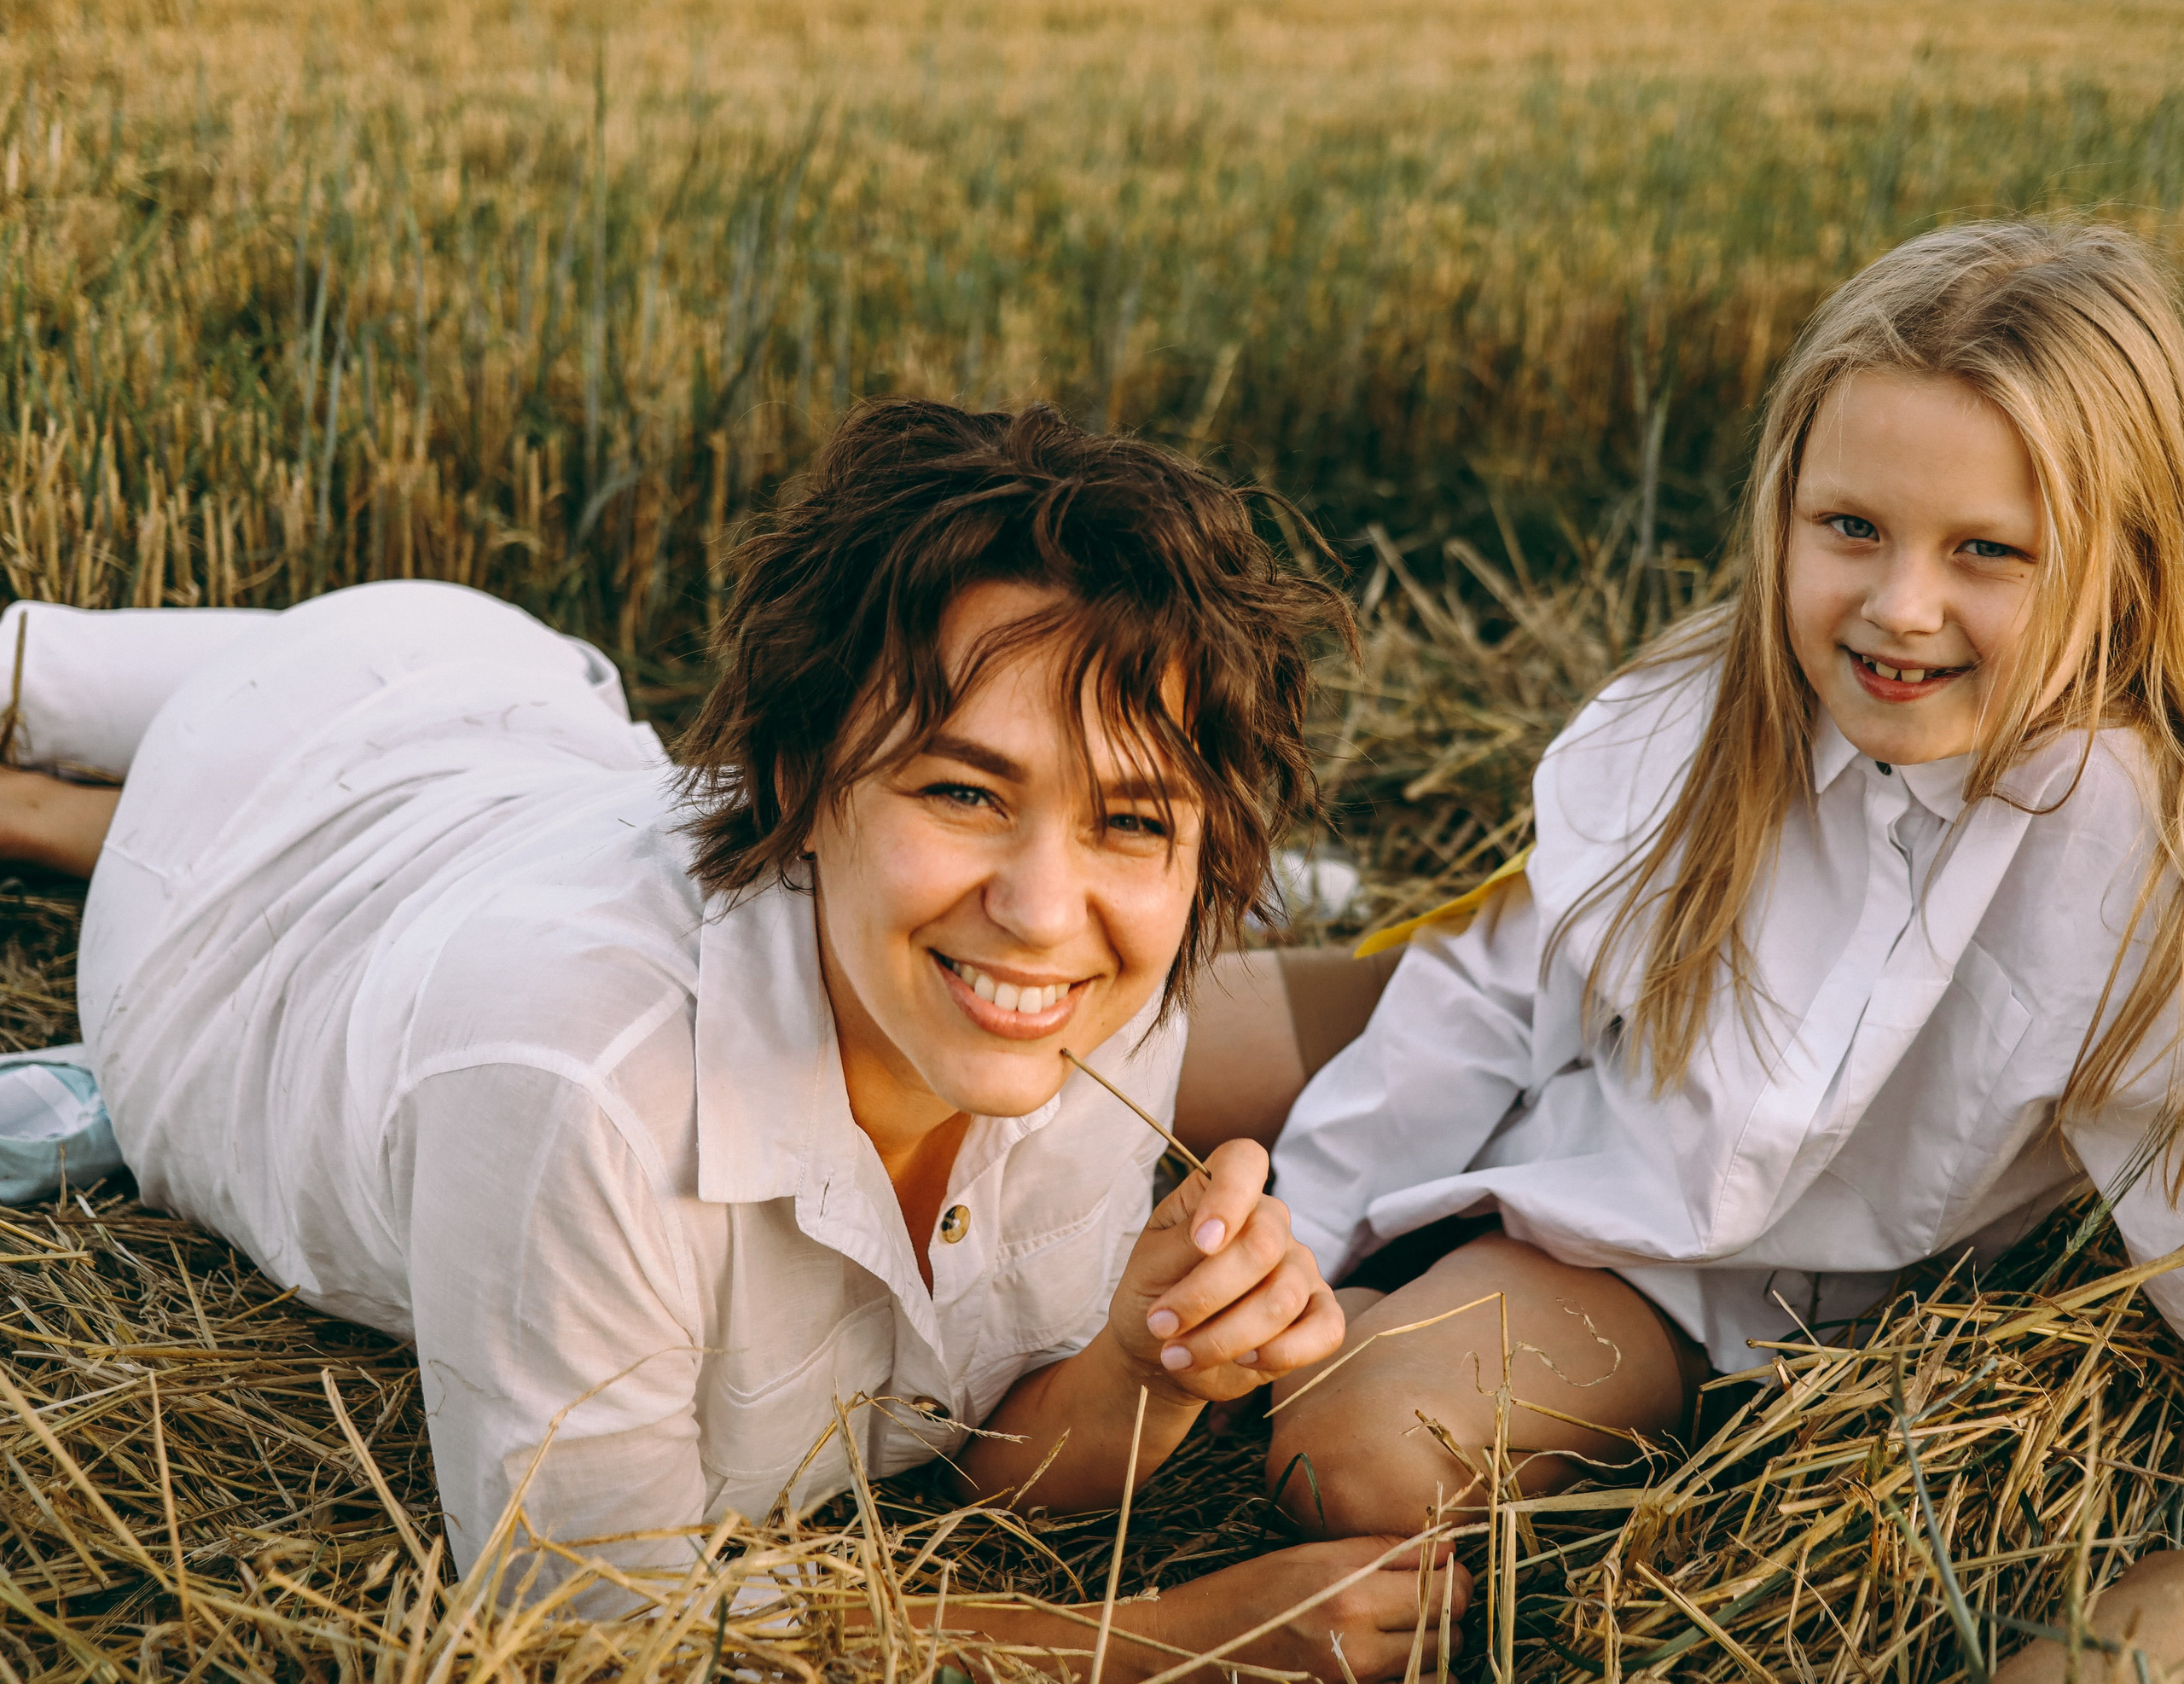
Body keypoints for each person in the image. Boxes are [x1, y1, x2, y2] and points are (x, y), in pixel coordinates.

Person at [3, 400, 1460, 1675]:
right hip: (257, 835)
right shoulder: (579, 1085)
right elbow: (592, 1629)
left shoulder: (1099, 988)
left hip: (534, 785)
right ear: (800, 782)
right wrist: (1161, 1646)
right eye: (964, 790)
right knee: (22, 668)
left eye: (1130, 818)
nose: (1040, 909)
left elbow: (983, 1445)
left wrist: (1150, 1356)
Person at [1177, 218, 2184, 1659]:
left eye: (1988, 552)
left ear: (2124, 562)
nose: (1901, 607)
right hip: (1526, 1045)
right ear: (1783, 508)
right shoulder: (1711, 705)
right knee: (1123, 1035)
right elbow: (1488, 986)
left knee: (1345, 1452)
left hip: (1673, 1251)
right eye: (1851, 528)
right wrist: (1302, 1229)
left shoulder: (2130, 866)